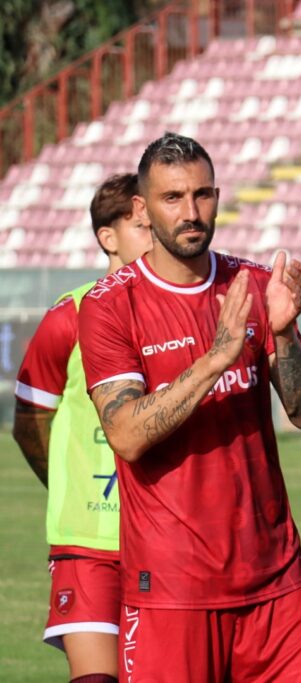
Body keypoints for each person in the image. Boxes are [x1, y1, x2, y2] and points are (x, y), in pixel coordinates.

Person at [77, 132, 301, 682]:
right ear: (143, 211)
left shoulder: (255, 286)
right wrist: (217, 357)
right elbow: (125, 435)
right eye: (173, 198)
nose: (192, 213)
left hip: (277, 580)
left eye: (203, 195)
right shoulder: (110, 306)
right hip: (171, 589)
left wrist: (285, 335)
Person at [13, 173, 152, 683]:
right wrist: (67, 487)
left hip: (165, 539)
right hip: (86, 541)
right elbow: (29, 422)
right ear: (107, 237)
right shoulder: (68, 316)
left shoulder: (184, 318)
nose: (155, 236)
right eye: (142, 227)